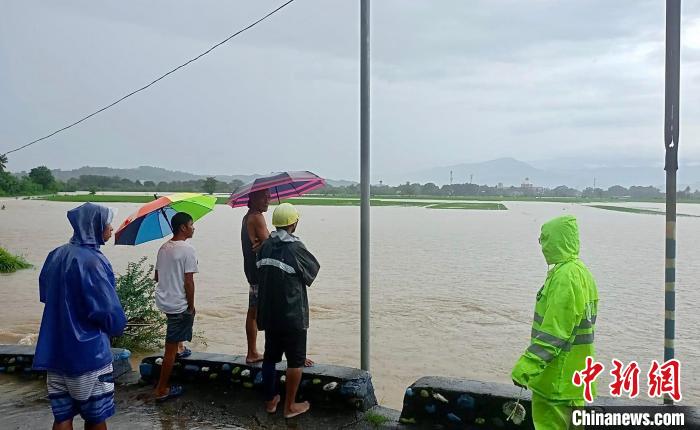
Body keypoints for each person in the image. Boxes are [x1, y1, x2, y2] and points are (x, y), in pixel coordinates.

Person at [33, 202, 127, 430]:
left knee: (62, 415)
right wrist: (117, 327)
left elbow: (46, 295)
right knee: (96, 417)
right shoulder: (94, 261)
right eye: (108, 224)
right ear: (95, 225)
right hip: (89, 355)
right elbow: (108, 313)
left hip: (55, 352)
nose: (111, 229)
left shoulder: (55, 254)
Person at [511, 215, 599, 430]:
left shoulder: (565, 277)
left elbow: (556, 331)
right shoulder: (581, 272)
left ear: (557, 241)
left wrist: (526, 367)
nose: (542, 246)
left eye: (545, 239)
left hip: (556, 382)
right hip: (574, 381)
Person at [257, 203, 320, 418]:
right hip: (292, 314)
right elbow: (312, 270)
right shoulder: (295, 248)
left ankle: (270, 401)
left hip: (269, 312)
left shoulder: (265, 246)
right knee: (295, 361)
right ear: (294, 223)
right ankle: (290, 406)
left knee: (270, 357)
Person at [153, 212, 198, 402]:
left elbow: (157, 276)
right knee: (169, 350)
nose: (193, 227)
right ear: (183, 228)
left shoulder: (163, 248)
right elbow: (189, 282)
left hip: (164, 300)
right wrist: (191, 305)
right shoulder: (187, 249)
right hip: (177, 304)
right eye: (191, 224)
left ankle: (180, 347)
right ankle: (162, 389)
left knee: (175, 331)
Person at [241, 188, 271, 363]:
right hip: (260, 272)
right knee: (261, 311)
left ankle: (252, 351)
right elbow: (270, 244)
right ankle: (254, 352)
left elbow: (264, 242)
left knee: (253, 311)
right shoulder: (257, 217)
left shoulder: (248, 216)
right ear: (252, 199)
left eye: (268, 197)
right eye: (264, 198)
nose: (268, 201)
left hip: (251, 270)